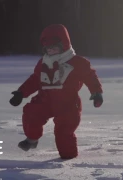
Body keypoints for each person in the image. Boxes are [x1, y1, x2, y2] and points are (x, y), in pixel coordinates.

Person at [9, 24, 103, 159]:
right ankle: (32, 139)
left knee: (64, 131)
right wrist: (21, 93)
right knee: (31, 112)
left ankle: (68, 157)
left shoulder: (77, 62)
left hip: (68, 104)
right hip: (45, 100)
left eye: (54, 47)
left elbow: (90, 76)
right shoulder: (43, 63)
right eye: (48, 48)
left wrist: (96, 92)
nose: (51, 50)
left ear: (64, 44)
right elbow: (35, 79)